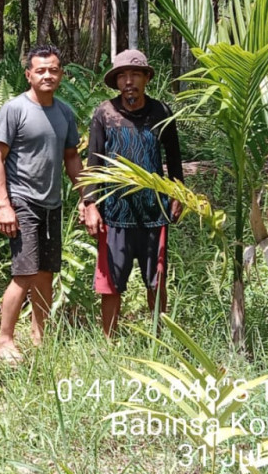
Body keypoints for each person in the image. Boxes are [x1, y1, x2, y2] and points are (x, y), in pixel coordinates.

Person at [0, 45, 83, 362]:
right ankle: (5, 340)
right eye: (40, 70)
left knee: (46, 272)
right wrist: (4, 204)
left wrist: (88, 197)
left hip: (52, 204)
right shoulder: (14, 110)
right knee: (24, 273)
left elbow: (72, 157)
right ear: (28, 74)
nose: (47, 75)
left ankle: (40, 335)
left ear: (61, 74)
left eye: (53, 69)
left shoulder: (65, 113)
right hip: (22, 200)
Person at [81, 49, 184, 337]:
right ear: (116, 82)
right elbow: (94, 162)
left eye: (135, 74)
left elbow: (174, 158)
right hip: (114, 213)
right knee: (111, 283)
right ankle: (109, 342)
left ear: (146, 78)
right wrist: (91, 204)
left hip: (154, 211)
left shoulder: (161, 112)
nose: (129, 81)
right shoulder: (104, 113)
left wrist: (178, 193)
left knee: (157, 279)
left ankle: (158, 339)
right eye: (123, 76)